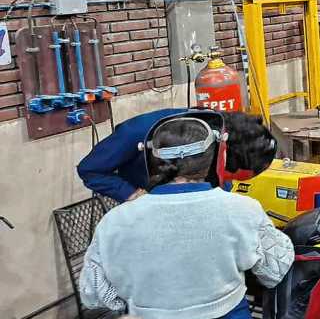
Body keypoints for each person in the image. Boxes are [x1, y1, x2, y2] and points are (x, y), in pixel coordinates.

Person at [78, 111, 294, 318]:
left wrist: (145, 301)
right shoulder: (244, 210)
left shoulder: (113, 223)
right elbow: (276, 270)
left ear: (151, 158)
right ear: (220, 154)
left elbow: (93, 294)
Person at [77, 109, 277, 202]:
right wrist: (132, 195)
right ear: (222, 156)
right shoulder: (138, 132)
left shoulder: (220, 131)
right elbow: (90, 170)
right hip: (148, 205)